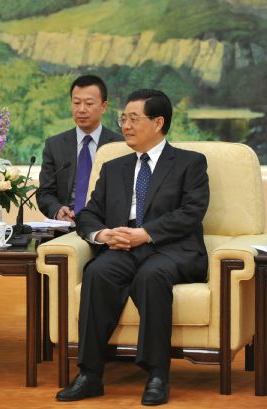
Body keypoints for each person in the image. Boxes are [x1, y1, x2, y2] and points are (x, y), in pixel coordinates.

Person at [56, 89, 209, 405]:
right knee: (97, 272)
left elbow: (191, 212)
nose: (125, 125)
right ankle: (90, 375)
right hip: (122, 248)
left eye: (133, 118)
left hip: (172, 249)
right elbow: (89, 213)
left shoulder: (189, 163)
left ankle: (156, 375)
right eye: (123, 118)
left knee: (151, 276)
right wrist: (103, 236)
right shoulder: (115, 167)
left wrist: (146, 233)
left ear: (158, 122)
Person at [36, 75, 123, 222]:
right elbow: (45, 193)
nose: (81, 109)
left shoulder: (120, 145)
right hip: (66, 227)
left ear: (103, 106)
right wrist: (57, 210)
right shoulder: (55, 145)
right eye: (76, 103)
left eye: (89, 104)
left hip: (106, 227)